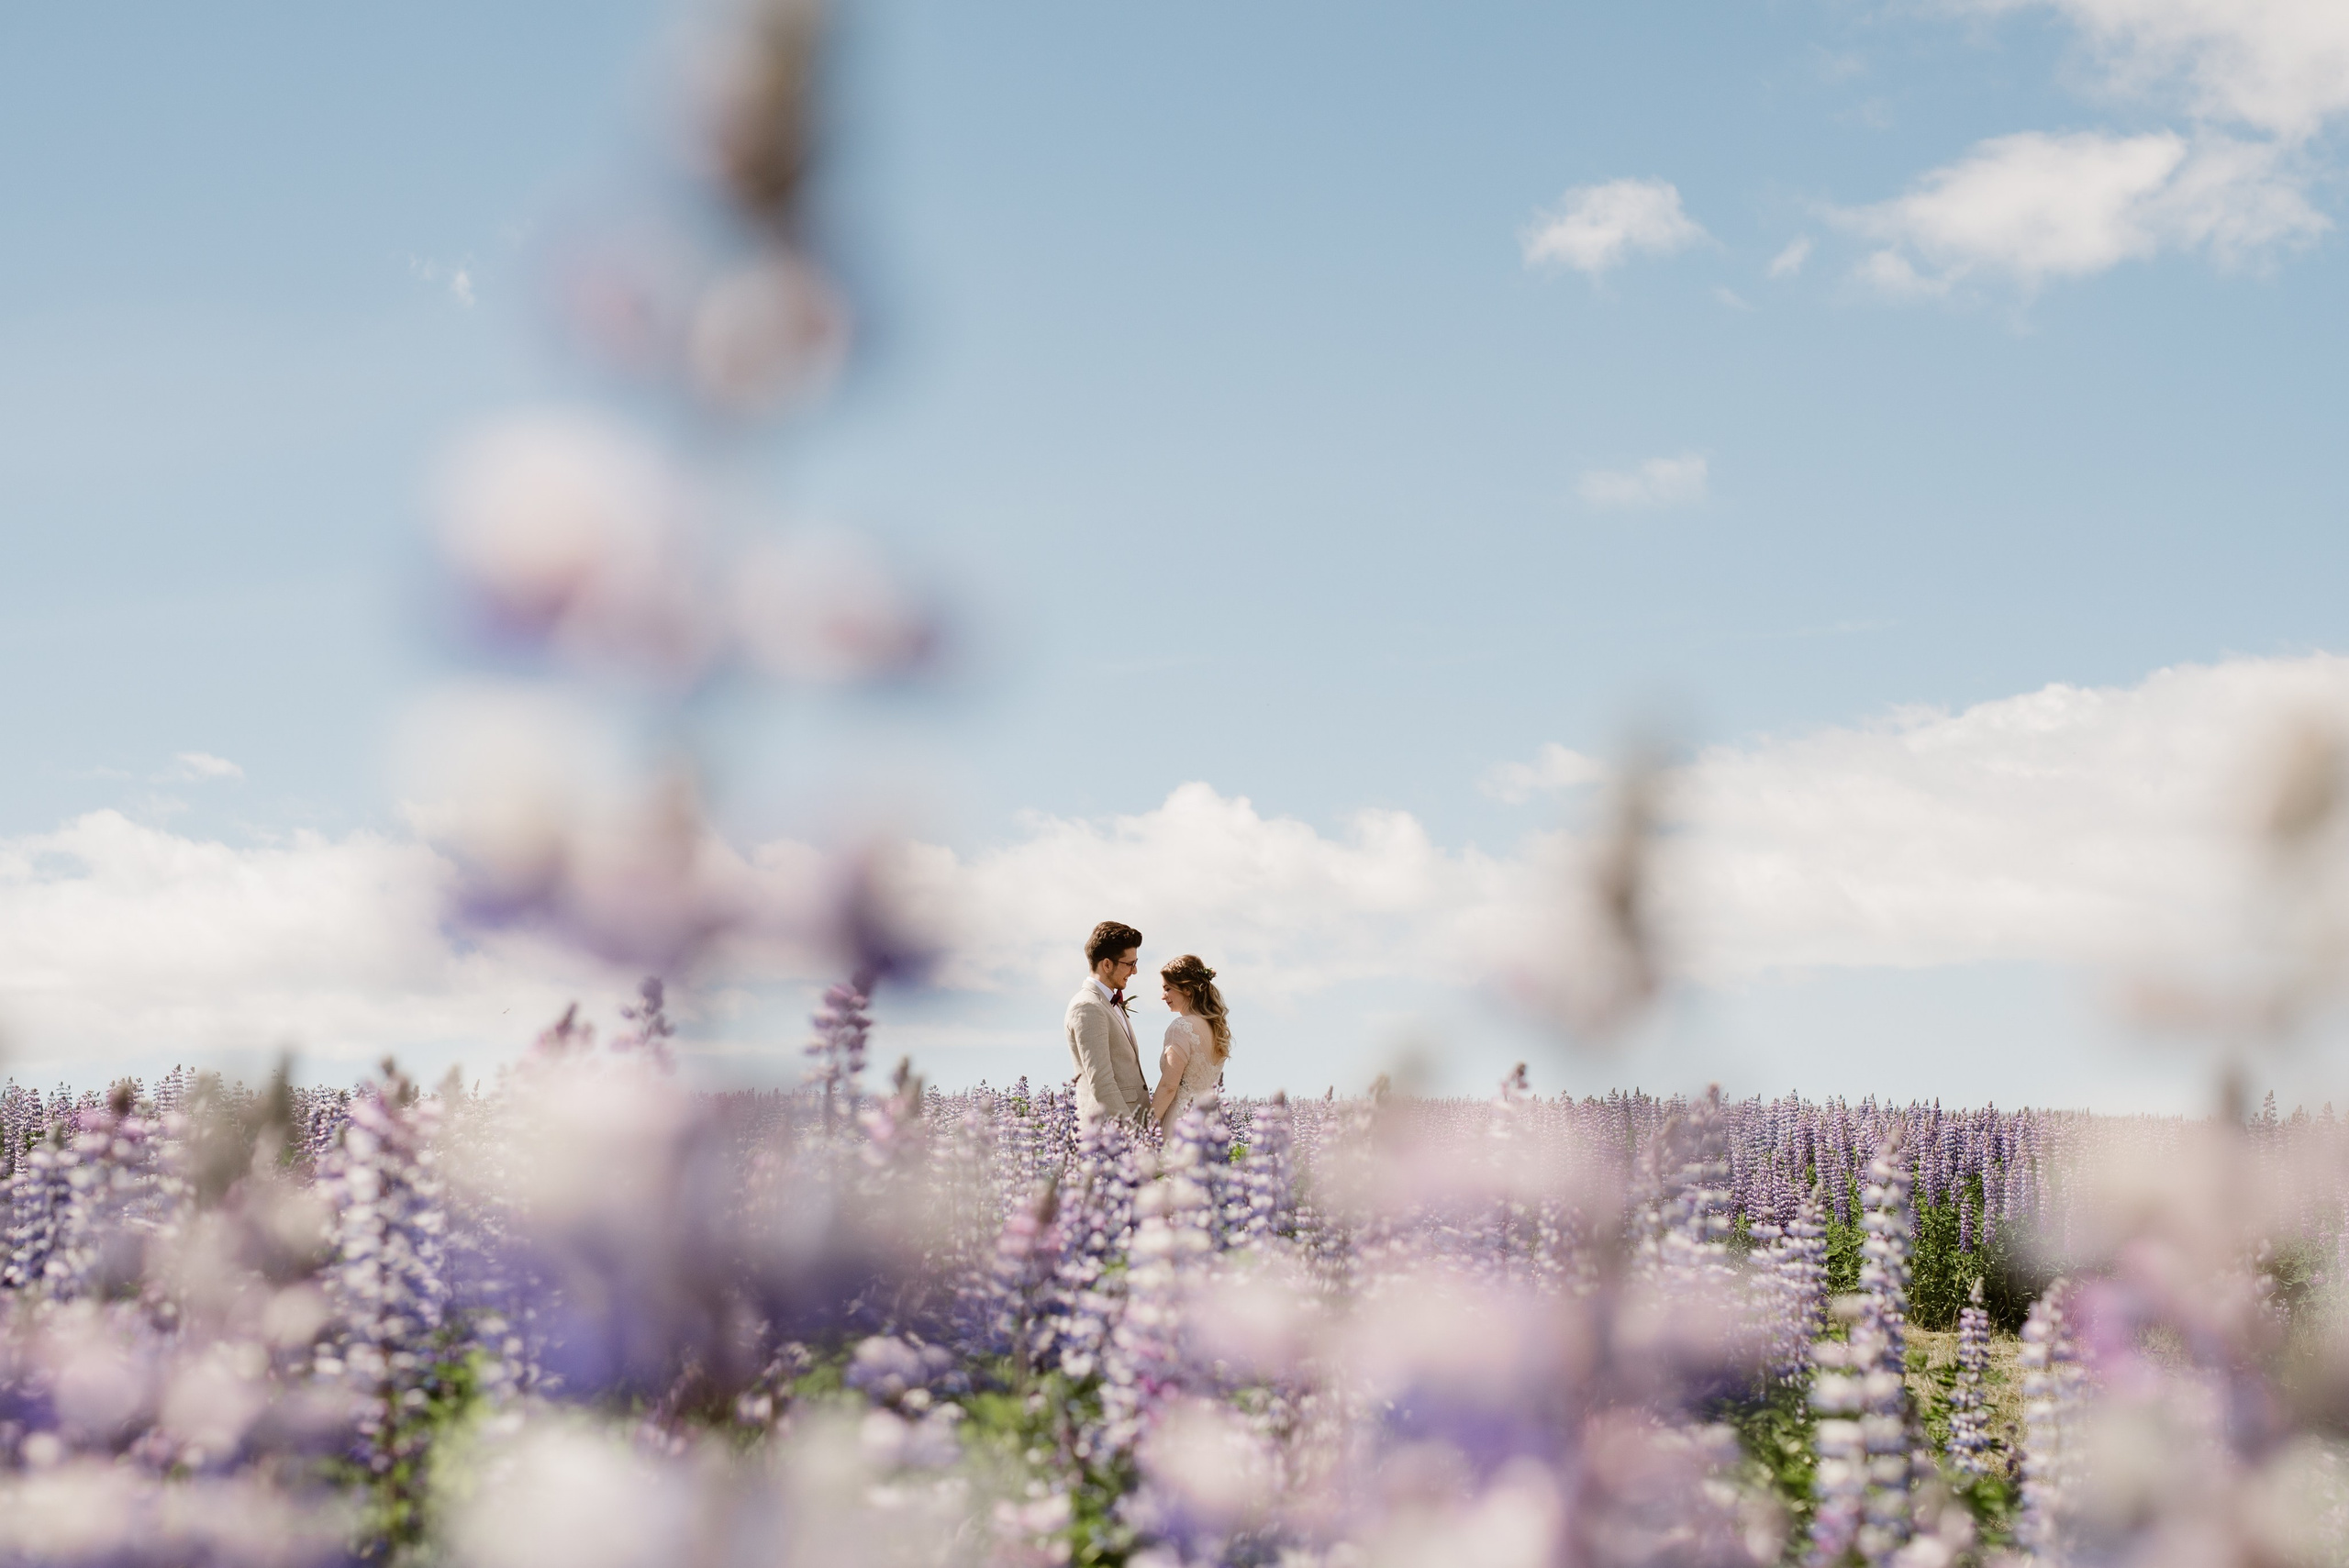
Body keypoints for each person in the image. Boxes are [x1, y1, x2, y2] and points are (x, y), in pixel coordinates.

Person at [1065, 920, 1150, 1125]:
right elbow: (1101, 1082)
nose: (1135, 971)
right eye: (1130, 964)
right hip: (1110, 1134)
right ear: (1107, 964)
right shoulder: (1088, 1006)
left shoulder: (1108, 1002)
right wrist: (1132, 1135)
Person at [1149, 953, 1230, 1132]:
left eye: (1168, 988)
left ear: (1187, 989)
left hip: (1181, 1121)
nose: (1163, 996)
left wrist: (1145, 1127)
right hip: (1209, 1121)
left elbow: (1169, 1086)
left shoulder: (1181, 1027)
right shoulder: (1216, 1028)